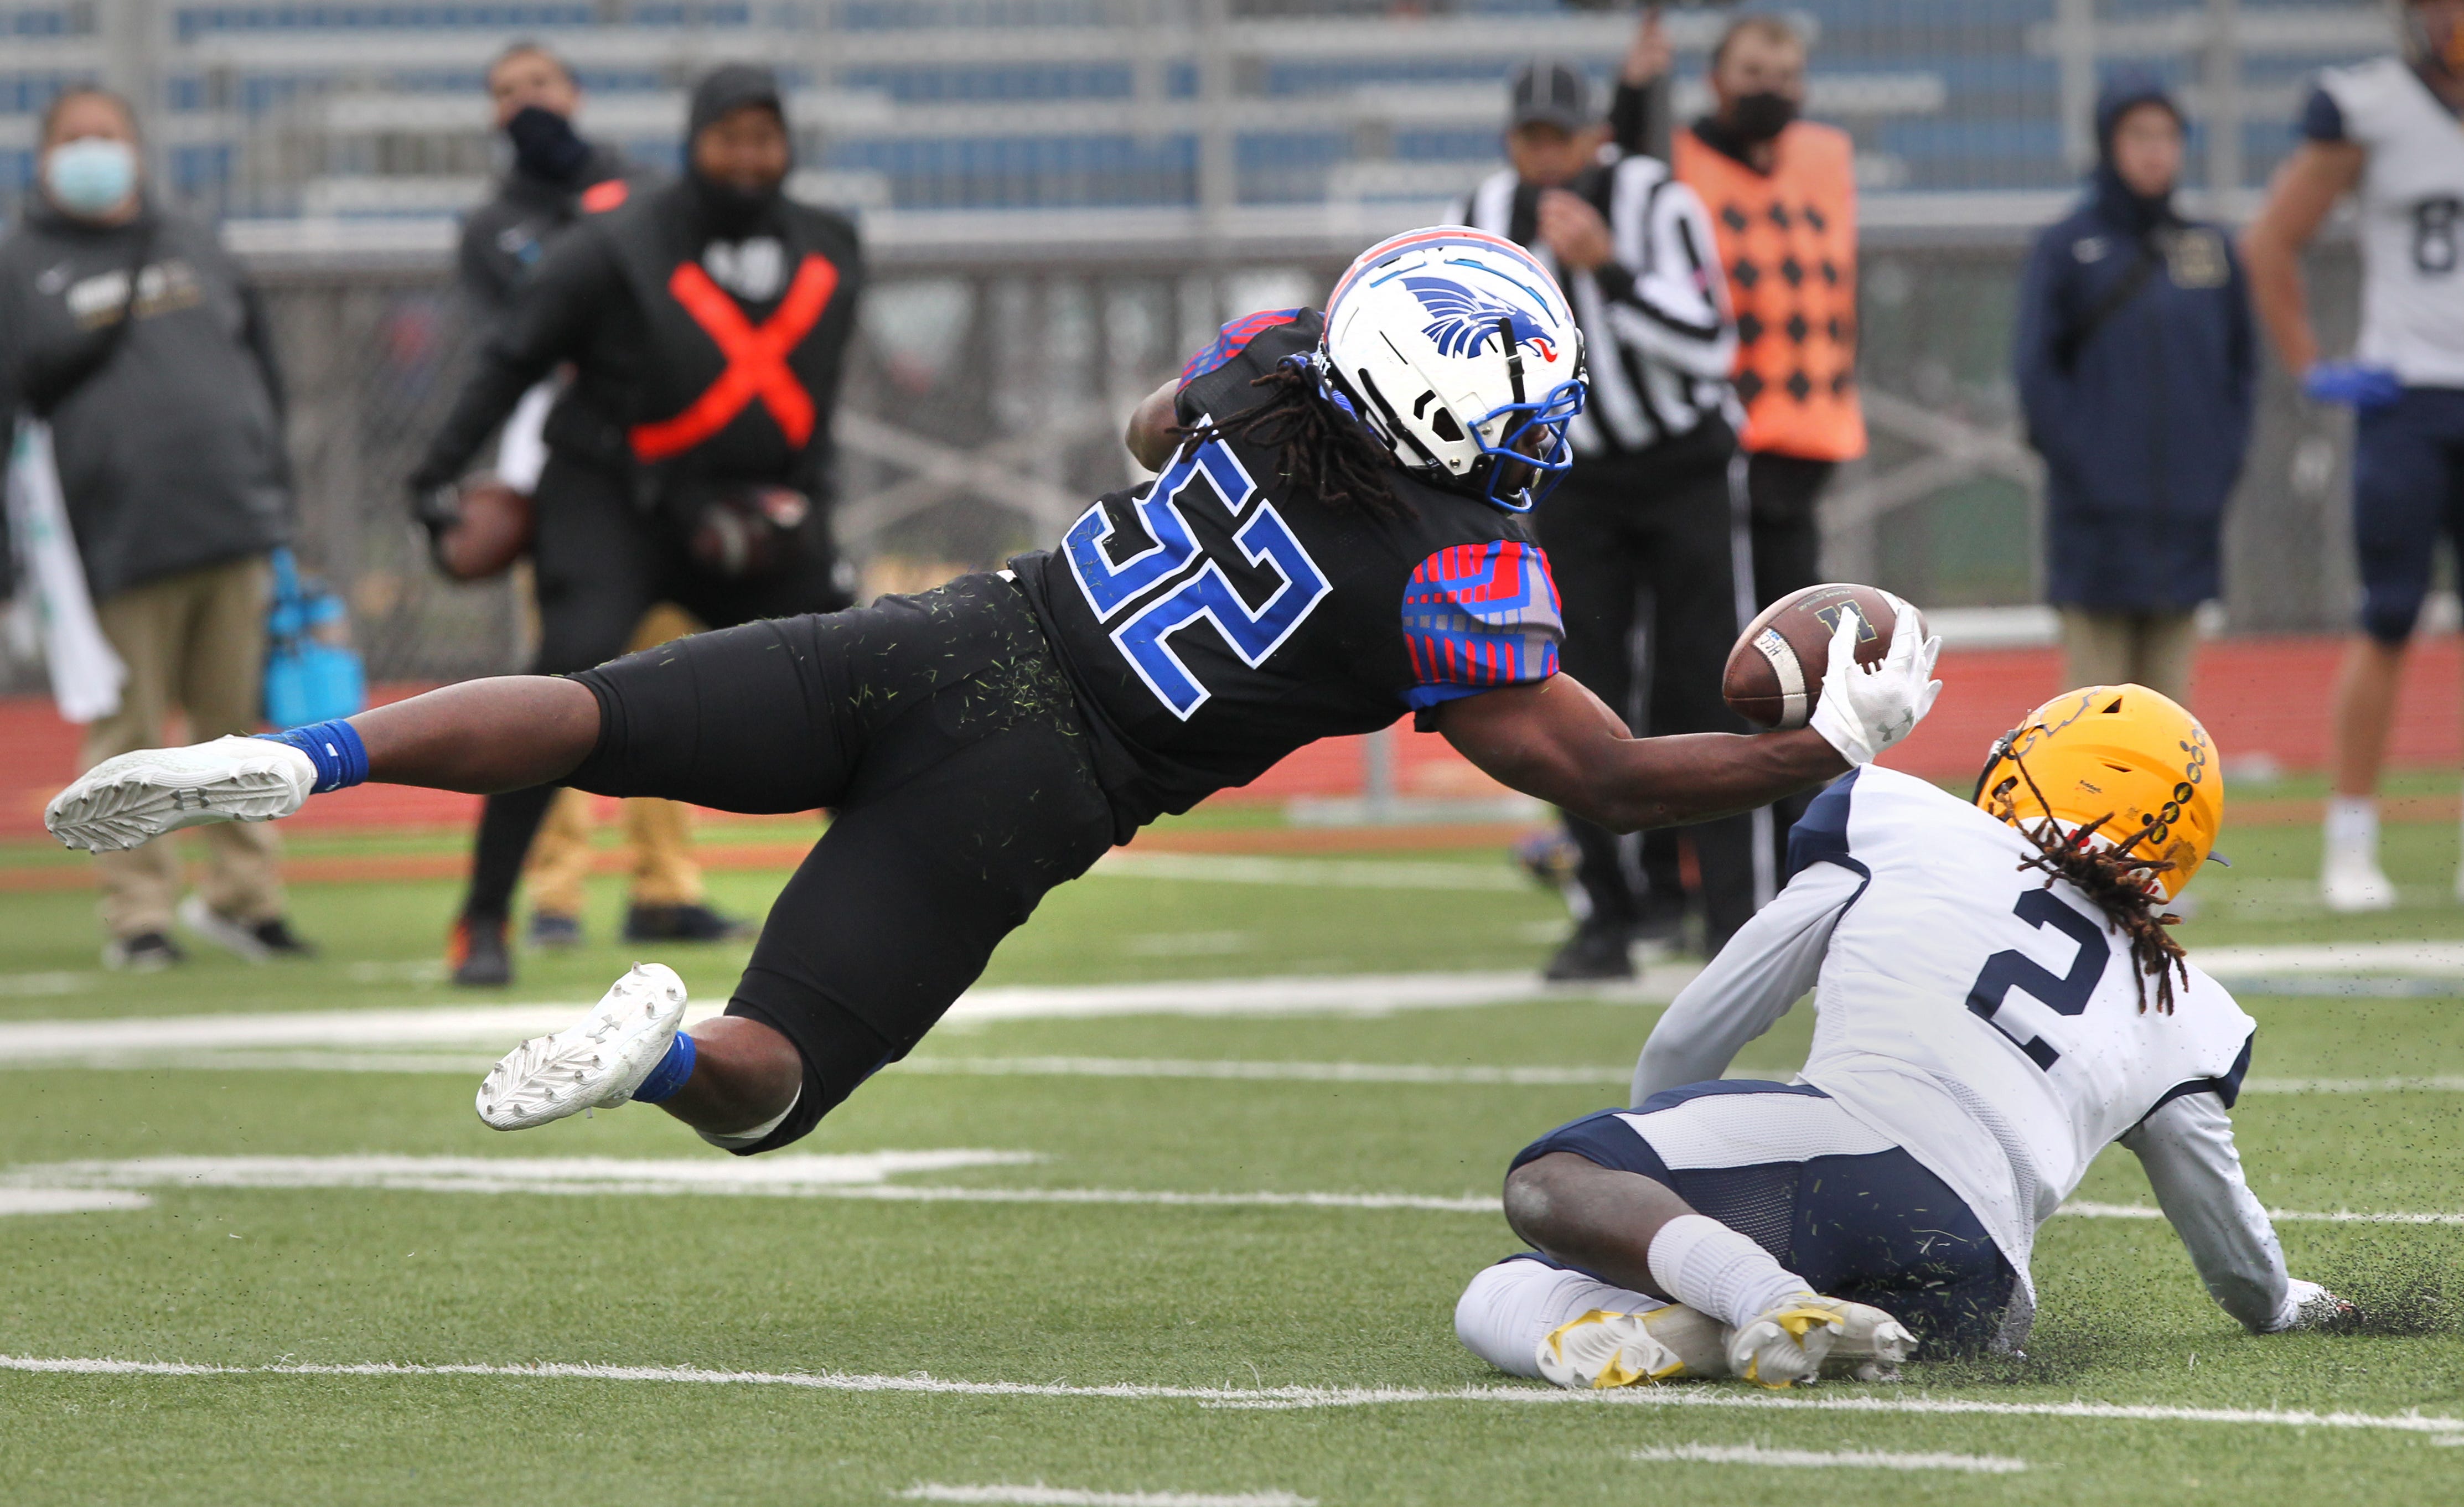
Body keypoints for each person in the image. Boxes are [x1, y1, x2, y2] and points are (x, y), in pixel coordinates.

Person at [48, 227, 1943, 1162]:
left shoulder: (1275, 363)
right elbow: (1603, 779)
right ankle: (658, 1051)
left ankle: (300, 754)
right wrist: (1815, 742)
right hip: (1043, 776)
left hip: (945, 630)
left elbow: (1153, 416)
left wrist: (1226, 427)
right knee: (781, 1082)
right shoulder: (1454, 568)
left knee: (591, 709)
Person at [1454, 685, 2351, 1390]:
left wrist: (1657, 1188)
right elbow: (2235, 1260)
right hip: (1981, 1289)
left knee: (1547, 1190)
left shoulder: (1904, 823)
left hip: (1836, 1150)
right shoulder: (2180, 997)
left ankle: (1764, 1299)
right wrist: (2282, 1301)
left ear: (2025, 765)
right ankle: (1728, 1328)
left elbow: (1700, 1025)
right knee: (1602, 1287)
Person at [407, 63, 860, 986]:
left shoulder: (828, 244)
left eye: (763, 138)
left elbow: (818, 392)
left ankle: (905, 886)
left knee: (851, 665)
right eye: (727, 137)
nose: (746, 158)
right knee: (567, 669)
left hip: (740, 508)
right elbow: (511, 355)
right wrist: (435, 472)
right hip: (612, 494)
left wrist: (810, 503)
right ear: (693, 142)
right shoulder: (613, 241)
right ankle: (487, 914)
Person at [1454, 57, 1759, 978]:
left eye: (1562, 136)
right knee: (1573, 692)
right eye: (1531, 138)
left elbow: (1710, 345)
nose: (1547, 157)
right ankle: (1612, 911)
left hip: (1680, 467)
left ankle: (1735, 914)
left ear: (1596, 135)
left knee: (1704, 682)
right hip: (1566, 482)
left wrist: (1607, 270)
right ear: (1512, 141)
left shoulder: (1656, 200)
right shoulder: (1482, 212)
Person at [0, 86, 314, 971]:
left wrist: (275, 490)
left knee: (241, 732)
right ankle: (138, 914)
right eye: (75, 137)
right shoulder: (21, 265)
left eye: (108, 134)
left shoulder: (196, 241)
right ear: (44, 153)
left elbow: (262, 370)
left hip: (232, 520)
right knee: (130, 733)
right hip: (112, 539)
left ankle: (246, 900)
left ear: (137, 148)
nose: (93, 150)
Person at [453, 40, 747, 955]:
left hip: (663, 468)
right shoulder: (493, 223)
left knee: (668, 680)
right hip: (564, 475)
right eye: (506, 92)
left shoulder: (641, 191)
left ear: (573, 94)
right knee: (560, 684)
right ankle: (554, 894)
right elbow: (539, 330)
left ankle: (665, 886)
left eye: (537, 84)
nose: (524, 102)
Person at [2242, 0, 2464, 913]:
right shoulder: (2364, 105)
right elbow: (2270, 239)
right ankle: (2349, 835)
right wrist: (2312, 366)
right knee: (2386, 614)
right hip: (2406, 395)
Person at [2015, 79, 2255, 706]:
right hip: (2095, 524)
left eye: (2168, 137)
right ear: (2107, 144)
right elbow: (2037, 374)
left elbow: (2241, 372)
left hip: (2186, 520)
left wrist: (2215, 467)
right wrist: (2087, 465)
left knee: (2169, 718)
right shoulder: (2066, 248)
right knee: (2095, 713)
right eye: (2139, 136)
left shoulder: (2211, 249)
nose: (2155, 152)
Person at [1670, 14, 1864, 616]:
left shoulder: (1822, 158)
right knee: (1717, 611)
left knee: (1795, 612)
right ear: (1716, 79)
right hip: (1720, 427)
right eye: (1752, 73)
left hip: (1808, 431)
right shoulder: (1678, 162)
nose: (1770, 89)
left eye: (1785, 76)